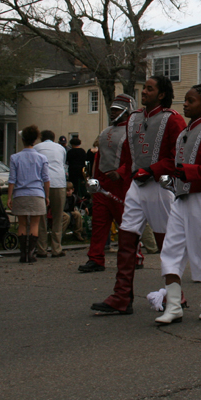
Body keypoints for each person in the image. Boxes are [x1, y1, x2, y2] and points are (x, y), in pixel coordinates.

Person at [91, 76, 186, 315]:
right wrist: (124, 174)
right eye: (144, 87)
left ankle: (177, 296)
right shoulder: (133, 119)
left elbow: (178, 156)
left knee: (167, 243)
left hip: (159, 187)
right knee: (126, 238)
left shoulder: (173, 120)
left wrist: (152, 170)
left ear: (162, 94)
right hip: (136, 184)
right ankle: (122, 296)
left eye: (149, 89)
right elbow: (127, 157)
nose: (144, 92)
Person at [155, 84, 201, 324]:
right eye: (185, 100)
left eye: (190, 100)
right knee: (170, 250)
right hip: (180, 198)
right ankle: (173, 305)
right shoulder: (186, 132)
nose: (185, 104)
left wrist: (186, 171)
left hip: (200, 199)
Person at [80, 94, 136, 273]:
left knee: (126, 224)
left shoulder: (133, 132)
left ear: (127, 111)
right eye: (112, 110)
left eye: (117, 110)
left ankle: (136, 255)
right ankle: (95, 258)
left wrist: (120, 173)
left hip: (122, 185)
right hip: (103, 184)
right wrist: (94, 179)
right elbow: (99, 157)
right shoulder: (104, 132)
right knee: (99, 224)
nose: (113, 113)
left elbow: (136, 158)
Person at [8, 126, 51, 264]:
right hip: (37, 193)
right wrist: (47, 195)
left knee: (22, 223)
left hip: (20, 193)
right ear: (35, 140)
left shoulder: (15, 157)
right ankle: (31, 253)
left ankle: (23, 253)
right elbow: (46, 179)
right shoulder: (41, 158)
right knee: (34, 224)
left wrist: (9, 197)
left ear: (22, 140)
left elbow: (12, 179)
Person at [34, 130, 68, 258]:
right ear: (54, 138)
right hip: (59, 182)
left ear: (41, 138)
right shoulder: (60, 148)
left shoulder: (37, 148)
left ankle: (41, 248)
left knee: (41, 217)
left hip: (41, 183)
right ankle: (56, 248)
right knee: (57, 216)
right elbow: (63, 163)